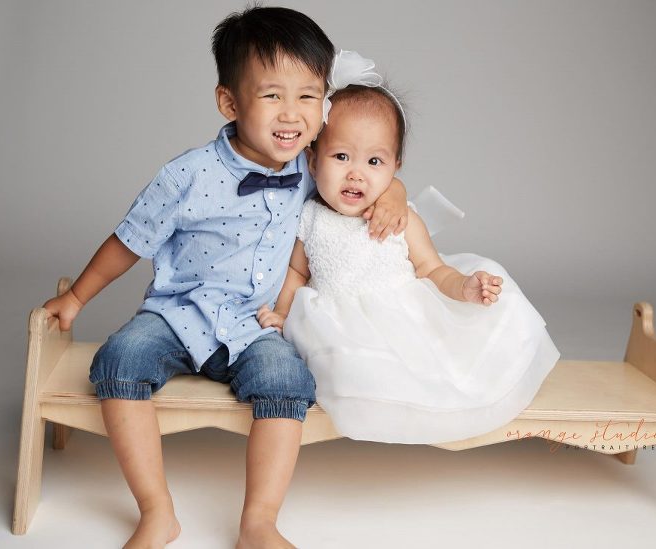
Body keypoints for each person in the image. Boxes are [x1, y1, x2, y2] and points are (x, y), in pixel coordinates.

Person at [41, 10, 408, 549]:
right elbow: (129, 240)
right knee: (119, 361)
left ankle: (258, 522)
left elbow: (363, 173)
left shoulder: (313, 166)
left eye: (308, 96)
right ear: (229, 103)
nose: (293, 114)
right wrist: (75, 297)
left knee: (287, 384)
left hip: (256, 324)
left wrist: (394, 192)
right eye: (272, 96)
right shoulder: (187, 174)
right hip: (176, 314)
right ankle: (156, 511)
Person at [257, 51, 561, 445]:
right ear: (313, 161)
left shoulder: (402, 218)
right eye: (341, 156)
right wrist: (283, 312)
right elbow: (297, 272)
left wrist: (465, 286)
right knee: (353, 373)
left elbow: (433, 270)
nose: (356, 172)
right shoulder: (311, 218)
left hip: (402, 320)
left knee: (434, 372)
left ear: (396, 166)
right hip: (339, 325)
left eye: (374, 161)